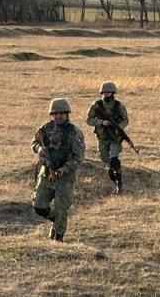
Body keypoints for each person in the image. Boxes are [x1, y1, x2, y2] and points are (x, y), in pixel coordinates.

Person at [31, 97, 85, 241]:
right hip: (47, 172)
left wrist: (64, 169)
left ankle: (58, 237)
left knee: (62, 207)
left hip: (65, 176)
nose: (58, 116)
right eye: (55, 114)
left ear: (67, 114)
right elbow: (34, 141)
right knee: (39, 205)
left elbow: (78, 157)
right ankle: (55, 218)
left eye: (61, 113)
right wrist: (39, 148)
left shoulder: (74, 132)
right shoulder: (45, 128)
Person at [86, 81, 130, 194]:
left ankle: (119, 183)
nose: (106, 94)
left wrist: (119, 126)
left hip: (115, 137)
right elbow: (89, 120)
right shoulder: (96, 105)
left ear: (113, 92)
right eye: (104, 92)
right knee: (104, 158)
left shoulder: (118, 106)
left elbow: (126, 120)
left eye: (108, 92)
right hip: (102, 136)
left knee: (113, 158)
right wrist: (101, 122)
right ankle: (114, 175)